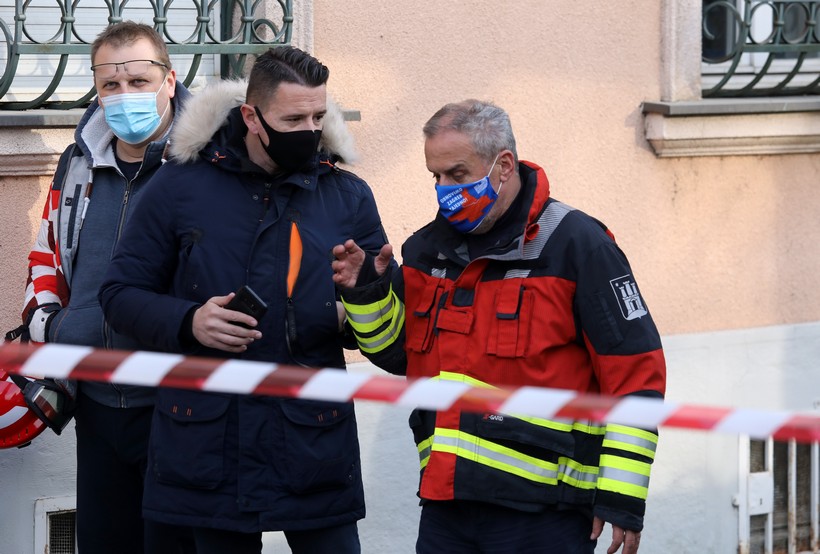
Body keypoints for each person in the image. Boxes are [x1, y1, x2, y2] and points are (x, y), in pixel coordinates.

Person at [331, 99, 667, 554]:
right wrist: (367, 291)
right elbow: (397, 354)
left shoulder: (577, 245)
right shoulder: (429, 250)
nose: (444, 189)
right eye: (436, 176)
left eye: (458, 174)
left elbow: (635, 372)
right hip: (448, 505)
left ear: (503, 165)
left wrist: (622, 495)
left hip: (547, 514)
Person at [99, 46, 391, 554]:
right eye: (293, 118)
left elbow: (391, 344)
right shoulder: (179, 185)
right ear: (252, 116)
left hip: (312, 444)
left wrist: (363, 293)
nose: (310, 130)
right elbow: (120, 294)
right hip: (206, 447)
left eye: (319, 116)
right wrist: (191, 320)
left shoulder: (348, 196)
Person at [15, 21, 194, 554]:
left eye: (139, 81)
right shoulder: (77, 165)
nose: (124, 96)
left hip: (174, 404)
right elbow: (47, 253)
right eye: (110, 85)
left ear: (170, 79)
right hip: (93, 401)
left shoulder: (204, 167)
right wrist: (55, 330)